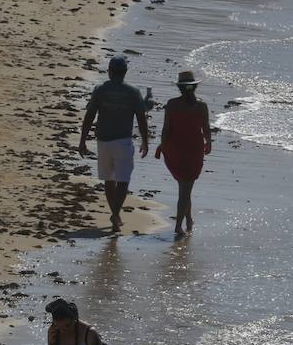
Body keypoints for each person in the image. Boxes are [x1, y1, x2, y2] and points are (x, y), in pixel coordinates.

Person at [78, 54, 149, 233]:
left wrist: (83, 140)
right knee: (123, 180)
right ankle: (115, 214)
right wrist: (145, 141)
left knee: (108, 180)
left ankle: (115, 215)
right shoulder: (133, 92)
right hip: (123, 141)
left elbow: (89, 116)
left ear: (109, 72)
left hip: (103, 141)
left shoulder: (100, 90)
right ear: (125, 72)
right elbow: (141, 118)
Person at [154, 70, 211, 238]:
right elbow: (206, 129)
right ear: (194, 87)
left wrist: (162, 146)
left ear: (179, 88)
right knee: (186, 189)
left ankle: (188, 220)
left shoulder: (171, 104)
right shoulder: (201, 106)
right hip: (194, 150)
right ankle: (179, 226)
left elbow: (166, 129)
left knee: (184, 188)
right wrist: (209, 144)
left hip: (176, 149)